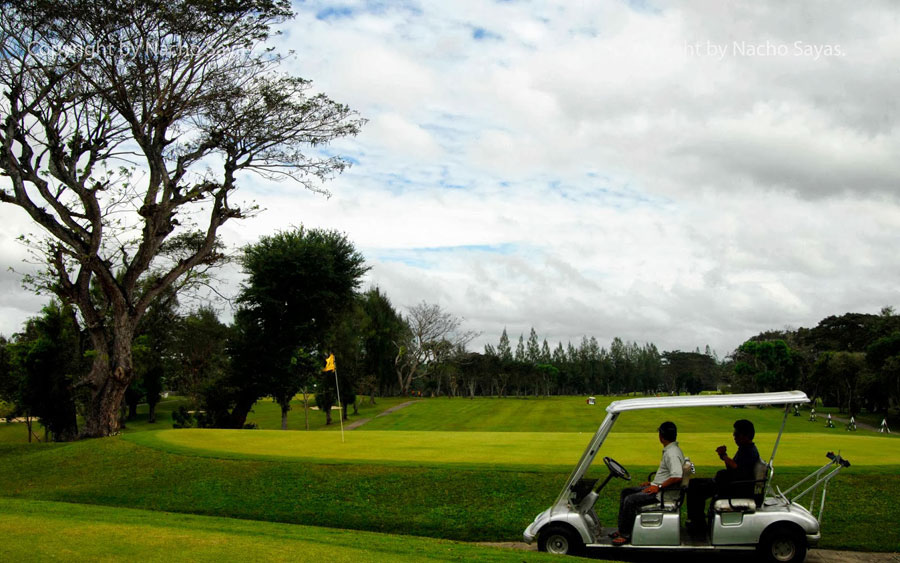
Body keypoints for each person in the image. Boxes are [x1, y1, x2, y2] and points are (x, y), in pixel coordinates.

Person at [611, 421, 684, 546]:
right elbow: (668, 475)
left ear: (661, 436)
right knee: (626, 492)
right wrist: (652, 483)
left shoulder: (672, 453)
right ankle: (622, 528)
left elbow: (677, 476)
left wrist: (658, 486)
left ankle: (625, 534)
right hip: (660, 489)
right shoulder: (671, 450)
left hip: (662, 494)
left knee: (630, 499)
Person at [686, 419, 761, 533]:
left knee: (696, 489)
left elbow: (737, 469)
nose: (734, 436)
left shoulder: (749, 451)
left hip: (734, 487)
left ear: (745, 435)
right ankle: (697, 521)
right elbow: (733, 468)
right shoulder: (745, 449)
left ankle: (699, 525)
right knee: (693, 483)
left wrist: (724, 455)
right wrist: (724, 457)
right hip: (730, 483)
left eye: (736, 434)